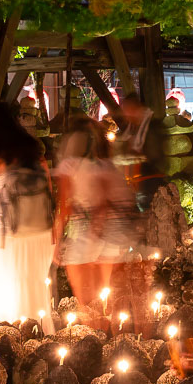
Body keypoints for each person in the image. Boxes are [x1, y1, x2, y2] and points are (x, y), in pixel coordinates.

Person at [0, 102, 55, 328]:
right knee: (36, 287)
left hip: (5, 234)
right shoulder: (33, 150)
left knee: (6, 291)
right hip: (39, 231)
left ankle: (9, 339)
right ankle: (41, 336)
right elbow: (48, 191)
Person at [54, 117, 138, 307]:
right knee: (103, 295)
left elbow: (65, 206)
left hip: (87, 231)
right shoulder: (106, 165)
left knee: (84, 298)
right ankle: (104, 329)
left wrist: (57, 239)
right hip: (111, 232)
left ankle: (90, 329)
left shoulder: (70, 166)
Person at [113, 96, 169, 210]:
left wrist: (133, 158)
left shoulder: (152, 128)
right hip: (134, 184)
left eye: (128, 110)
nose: (126, 115)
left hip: (150, 183)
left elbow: (155, 156)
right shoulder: (131, 129)